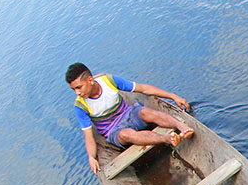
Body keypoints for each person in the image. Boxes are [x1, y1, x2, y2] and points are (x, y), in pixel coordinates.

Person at [65, 62, 195, 175]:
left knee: (146, 112)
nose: (77, 92)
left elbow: (143, 89)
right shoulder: (80, 106)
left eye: (79, 87)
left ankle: (181, 126)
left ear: (90, 80)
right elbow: (88, 136)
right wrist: (91, 157)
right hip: (114, 130)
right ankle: (168, 139)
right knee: (126, 134)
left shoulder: (108, 81)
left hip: (129, 113)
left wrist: (173, 96)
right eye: (73, 89)